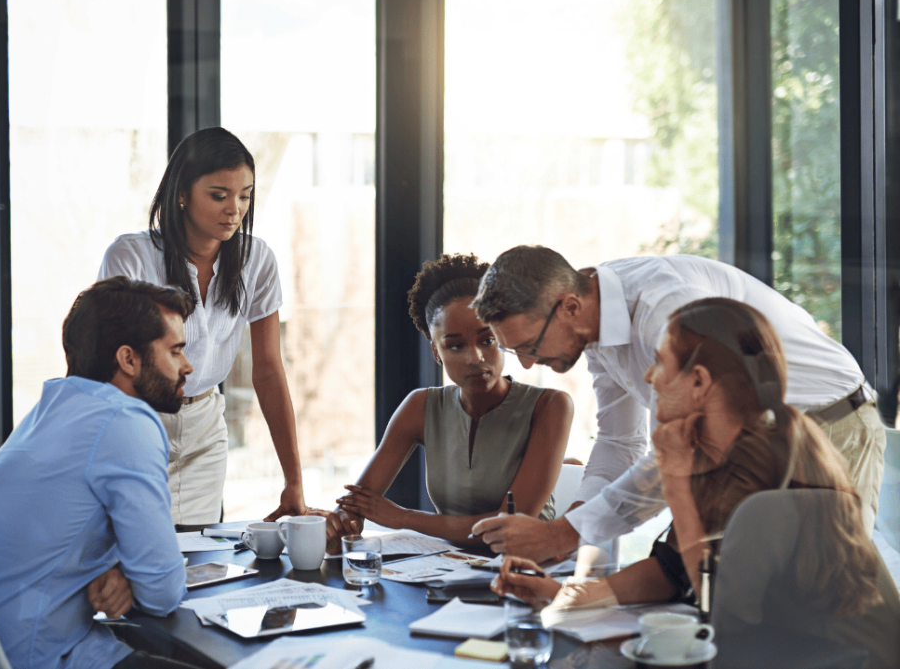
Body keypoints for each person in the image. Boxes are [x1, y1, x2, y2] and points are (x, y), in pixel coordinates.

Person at [492, 298, 900, 669]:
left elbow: (720, 613)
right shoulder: (721, 452)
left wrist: (675, 481)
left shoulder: (776, 470)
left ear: (700, 381)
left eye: (663, 362)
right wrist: (558, 594)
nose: (649, 377)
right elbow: (673, 570)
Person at [470, 247, 885, 562]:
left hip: (827, 423)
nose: (526, 363)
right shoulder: (591, 326)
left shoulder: (667, 309)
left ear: (570, 307)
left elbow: (687, 447)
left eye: (528, 346)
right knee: (702, 582)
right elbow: (619, 441)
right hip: (749, 440)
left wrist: (564, 534)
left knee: (819, 597)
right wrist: (567, 531)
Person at [0, 277, 198, 669]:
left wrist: (121, 572)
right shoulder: (126, 421)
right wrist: (135, 579)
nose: (187, 367)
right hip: (39, 656)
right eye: (175, 351)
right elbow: (164, 591)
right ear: (128, 359)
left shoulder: (52, 411)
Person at [99, 127, 305, 527]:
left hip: (205, 426)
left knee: (199, 559)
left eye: (244, 196)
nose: (235, 209)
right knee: (138, 558)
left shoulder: (257, 261)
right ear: (182, 193)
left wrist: (293, 480)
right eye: (218, 195)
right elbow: (105, 371)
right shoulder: (131, 257)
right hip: (138, 422)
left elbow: (267, 370)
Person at [323, 253, 573, 551]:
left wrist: (403, 517)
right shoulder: (420, 406)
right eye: (455, 345)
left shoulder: (550, 406)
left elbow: (510, 524)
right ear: (436, 352)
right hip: (446, 571)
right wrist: (340, 521)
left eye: (487, 339)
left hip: (525, 574)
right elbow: (359, 502)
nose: (475, 358)